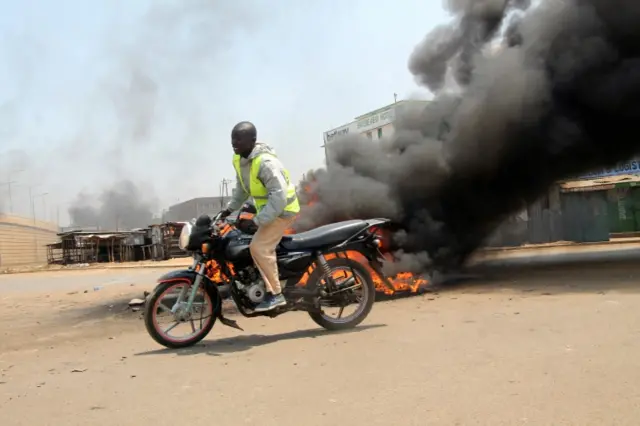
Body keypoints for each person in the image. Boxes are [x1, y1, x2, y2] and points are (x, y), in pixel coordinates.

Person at [220, 121, 300, 312]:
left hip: (283, 211)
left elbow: (279, 197)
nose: (234, 142)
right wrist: (228, 210)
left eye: (239, 138)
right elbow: (241, 190)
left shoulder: (265, 163)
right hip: (268, 209)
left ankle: (276, 295)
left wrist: (257, 222)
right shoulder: (240, 160)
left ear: (252, 140)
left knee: (259, 248)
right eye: (232, 138)